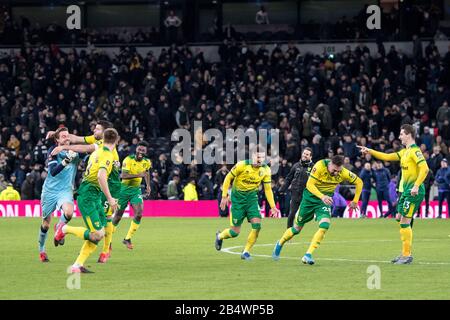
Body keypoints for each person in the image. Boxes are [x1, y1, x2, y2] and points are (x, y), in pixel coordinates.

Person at [48, 120, 120, 264]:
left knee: (105, 223)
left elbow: (83, 147)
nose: (94, 131)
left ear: (105, 133)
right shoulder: (100, 145)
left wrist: (63, 147)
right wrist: (57, 135)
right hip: (99, 186)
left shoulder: (100, 145)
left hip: (109, 185)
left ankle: (103, 251)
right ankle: (102, 251)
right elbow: (77, 139)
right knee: (101, 227)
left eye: (98, 129)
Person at [358, 124, 430, 264]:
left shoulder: (415, 151)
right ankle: (404, 252)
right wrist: (369, 151)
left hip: (413, 191)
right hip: (405, 191)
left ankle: (407, 255)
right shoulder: (405, 152)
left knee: (404, 221)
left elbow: (425, 169)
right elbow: (387, 156)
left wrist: (416, 185)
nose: (399, 136)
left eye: (401, 134)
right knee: (399, 217)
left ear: (409, 134)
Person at [272, 155, 362, 265]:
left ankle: (308, 255)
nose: (336, 173)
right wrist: (322, 196)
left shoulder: (343, 172)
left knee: (324, 226)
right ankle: (280, 243)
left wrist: (355, 200)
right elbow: (309, 185)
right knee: (296, 229)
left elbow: (359, 182)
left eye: (338, 171)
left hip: (324, 201)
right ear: (330, 164)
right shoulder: (319, 166)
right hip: (309, 199)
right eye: (334, 170)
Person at [215, 147, 280, 260]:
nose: (260, 159)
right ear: (253, 156)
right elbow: (228, 178)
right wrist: (224, 196)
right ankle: (220, 236)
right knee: (234, 232)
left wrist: (273, 207)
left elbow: (268, 189)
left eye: (262, 157)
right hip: (237, 201)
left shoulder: (266, 170)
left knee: (257, 226)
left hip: (251, 200)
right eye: (258, 157)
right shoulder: (242, 165)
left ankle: (246, 252)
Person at [38, 127, 79, 263]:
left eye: (68, 136)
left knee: (69, 213)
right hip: (50, 191)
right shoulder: (53, 151)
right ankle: (42, 250)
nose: (66, 138)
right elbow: (53, 171)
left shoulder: (75, 152)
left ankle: (59, 227)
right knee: (45, 224)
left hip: (65, 191)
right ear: (57, 140)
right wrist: (66, 160)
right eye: (63, 136)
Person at [111, 141, 151, 253]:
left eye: (143, 150)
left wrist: (148, 185)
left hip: (135, 190)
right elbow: (123, 175)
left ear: (146, 152)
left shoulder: (147, 162)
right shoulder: (128, 160)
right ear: (136, 150)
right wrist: (139, 175)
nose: (141, 152)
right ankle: (108, 238)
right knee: (118, 216)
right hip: (123, 190)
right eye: (139, 149)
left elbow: (146, 172)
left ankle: (127, 238)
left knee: (139, 214)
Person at [279, 148, 313, 228]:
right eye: (304, 153)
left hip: (306, 195)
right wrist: (282, 189)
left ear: (311, 157)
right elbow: (288, 178)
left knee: (307, 215)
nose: (305, 155)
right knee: (291, 214)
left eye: (307, 154)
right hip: (295, 194)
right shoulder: (296, 165)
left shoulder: (313, 167)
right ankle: (288, 233)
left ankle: (298, 227)